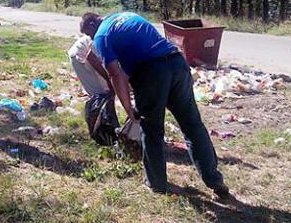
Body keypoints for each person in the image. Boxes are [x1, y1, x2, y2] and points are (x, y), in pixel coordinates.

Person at [80, 11, 229, 197]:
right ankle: (215, 181)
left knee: (151, 130)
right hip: (176, 63)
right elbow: (128, 69)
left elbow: (115, 75)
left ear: (93, 26)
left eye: (88, 34)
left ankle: (156, 184)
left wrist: (128, 109)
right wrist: (139, 100)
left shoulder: (102, 36)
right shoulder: (127, 16)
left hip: (152, 72)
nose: (90, 39)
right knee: (193, 125)